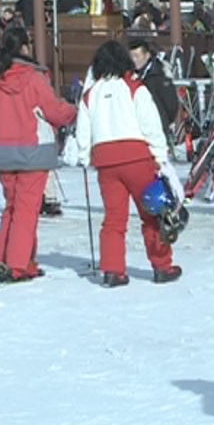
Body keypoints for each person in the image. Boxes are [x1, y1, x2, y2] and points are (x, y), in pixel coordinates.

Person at [0, 28, 76, 282]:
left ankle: (5, 258)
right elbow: (53, 111)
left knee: (12, 207)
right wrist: (73, 112)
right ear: (26, 48)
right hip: (33, 150)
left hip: (1, 150)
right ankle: (18, 264)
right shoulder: (33, 76)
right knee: (27, 210)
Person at [75, 41, 183, 287]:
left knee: (114, 219)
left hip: (105, 160)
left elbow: (83, 131)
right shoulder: (135, 88)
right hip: (136, 157)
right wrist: (159, 155)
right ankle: (162, 266)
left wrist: (84, 156)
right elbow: (151, 124)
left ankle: (113, 270)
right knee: (153, 213)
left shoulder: (91, 94)